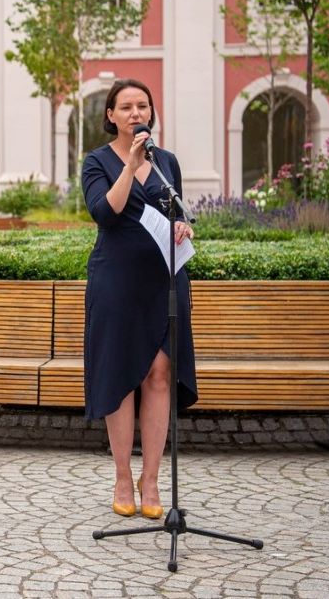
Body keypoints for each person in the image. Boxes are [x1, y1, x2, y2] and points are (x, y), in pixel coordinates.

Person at [80, 78, 197, 520]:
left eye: (142, 106)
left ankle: (151, 480)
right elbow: (104, 213)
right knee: (121, 377)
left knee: (159, 375)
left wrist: (183, 227)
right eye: (125, 107)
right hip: (116, 282)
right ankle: (122, 477)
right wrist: (130, 165)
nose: (135, 113)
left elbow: (176, 212)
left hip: (162, 281)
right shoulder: (97, 161)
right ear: (110, 115)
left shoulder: (167, 162)